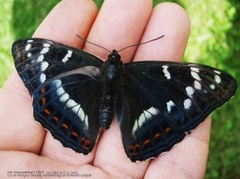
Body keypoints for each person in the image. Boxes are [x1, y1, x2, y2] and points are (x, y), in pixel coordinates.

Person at [0, 0, 210, 178]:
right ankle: (119, 139)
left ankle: (93, 135)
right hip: (135, 110)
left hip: (91, 105)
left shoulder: (77, 62)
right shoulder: (150, 73)